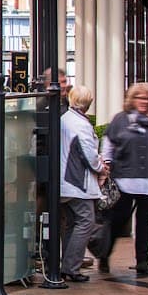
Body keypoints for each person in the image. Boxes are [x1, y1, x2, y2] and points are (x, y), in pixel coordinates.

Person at [98, 82, 148, 277]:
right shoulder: (120, 119)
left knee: (144, 220)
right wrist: (106, 166)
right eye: (140, 98)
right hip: (125, 179)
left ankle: (142, 261)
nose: (144, 102)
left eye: (147, 98)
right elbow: (108, 146)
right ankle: (104, 254)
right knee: (118, 220)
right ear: (132, 99)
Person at [59, 85, 105, 282]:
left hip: (66, 181)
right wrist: (102, 167)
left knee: (73, 223)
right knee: (86, 222)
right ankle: (71, 267)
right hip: (77, 183)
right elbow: (89, 155)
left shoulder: (65, 119)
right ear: (88, 102)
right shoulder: (81, 125)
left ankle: (68, 264)